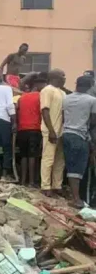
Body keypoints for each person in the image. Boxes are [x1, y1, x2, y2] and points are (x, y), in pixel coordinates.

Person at [61, 76, 96, 208]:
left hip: (67, 134)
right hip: (80, 136)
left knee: (70, 165)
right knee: (78, 168)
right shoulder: (92, 100)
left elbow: (63, 117)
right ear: (90, 85)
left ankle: (75, 197)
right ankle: (76, 199)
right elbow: (93, 121)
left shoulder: (66, 98)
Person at [16, 73, 48, 187]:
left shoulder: (22, 97)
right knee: (33, 155)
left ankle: (23, 181)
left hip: (21, 129)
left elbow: (17, 111)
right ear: (37, 85)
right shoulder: (41, 97)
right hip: (34, 129)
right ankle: (31, 182)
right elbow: (44, 113)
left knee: (23, 155)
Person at [40, 69, 68, 197]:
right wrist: (51, 131)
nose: (64, 78)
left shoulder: (63, 93)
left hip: (62, 131)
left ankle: (57, 185)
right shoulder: (47, 90)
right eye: (62, 76)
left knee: (59, 161)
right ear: (54, 77)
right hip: (51, 131)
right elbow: (45, 111)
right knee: (48, 159)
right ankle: (45, 186)